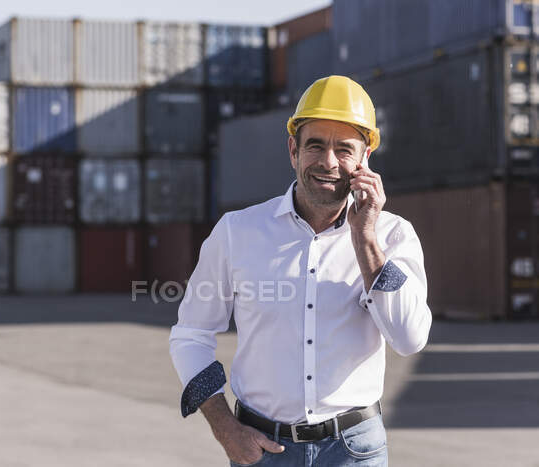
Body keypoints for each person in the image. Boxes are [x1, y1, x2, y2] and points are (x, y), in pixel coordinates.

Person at [169, 75, 432, 466]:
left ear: (364, 160)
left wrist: (365, 241)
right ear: (293, 150)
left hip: (355, 451)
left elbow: (409, 338)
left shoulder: (393, 235)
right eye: (315, 146)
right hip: (261, 449)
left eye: (344, 149)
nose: (328, 162)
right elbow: (191, 335)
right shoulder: (237, 232)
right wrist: (226, 428)